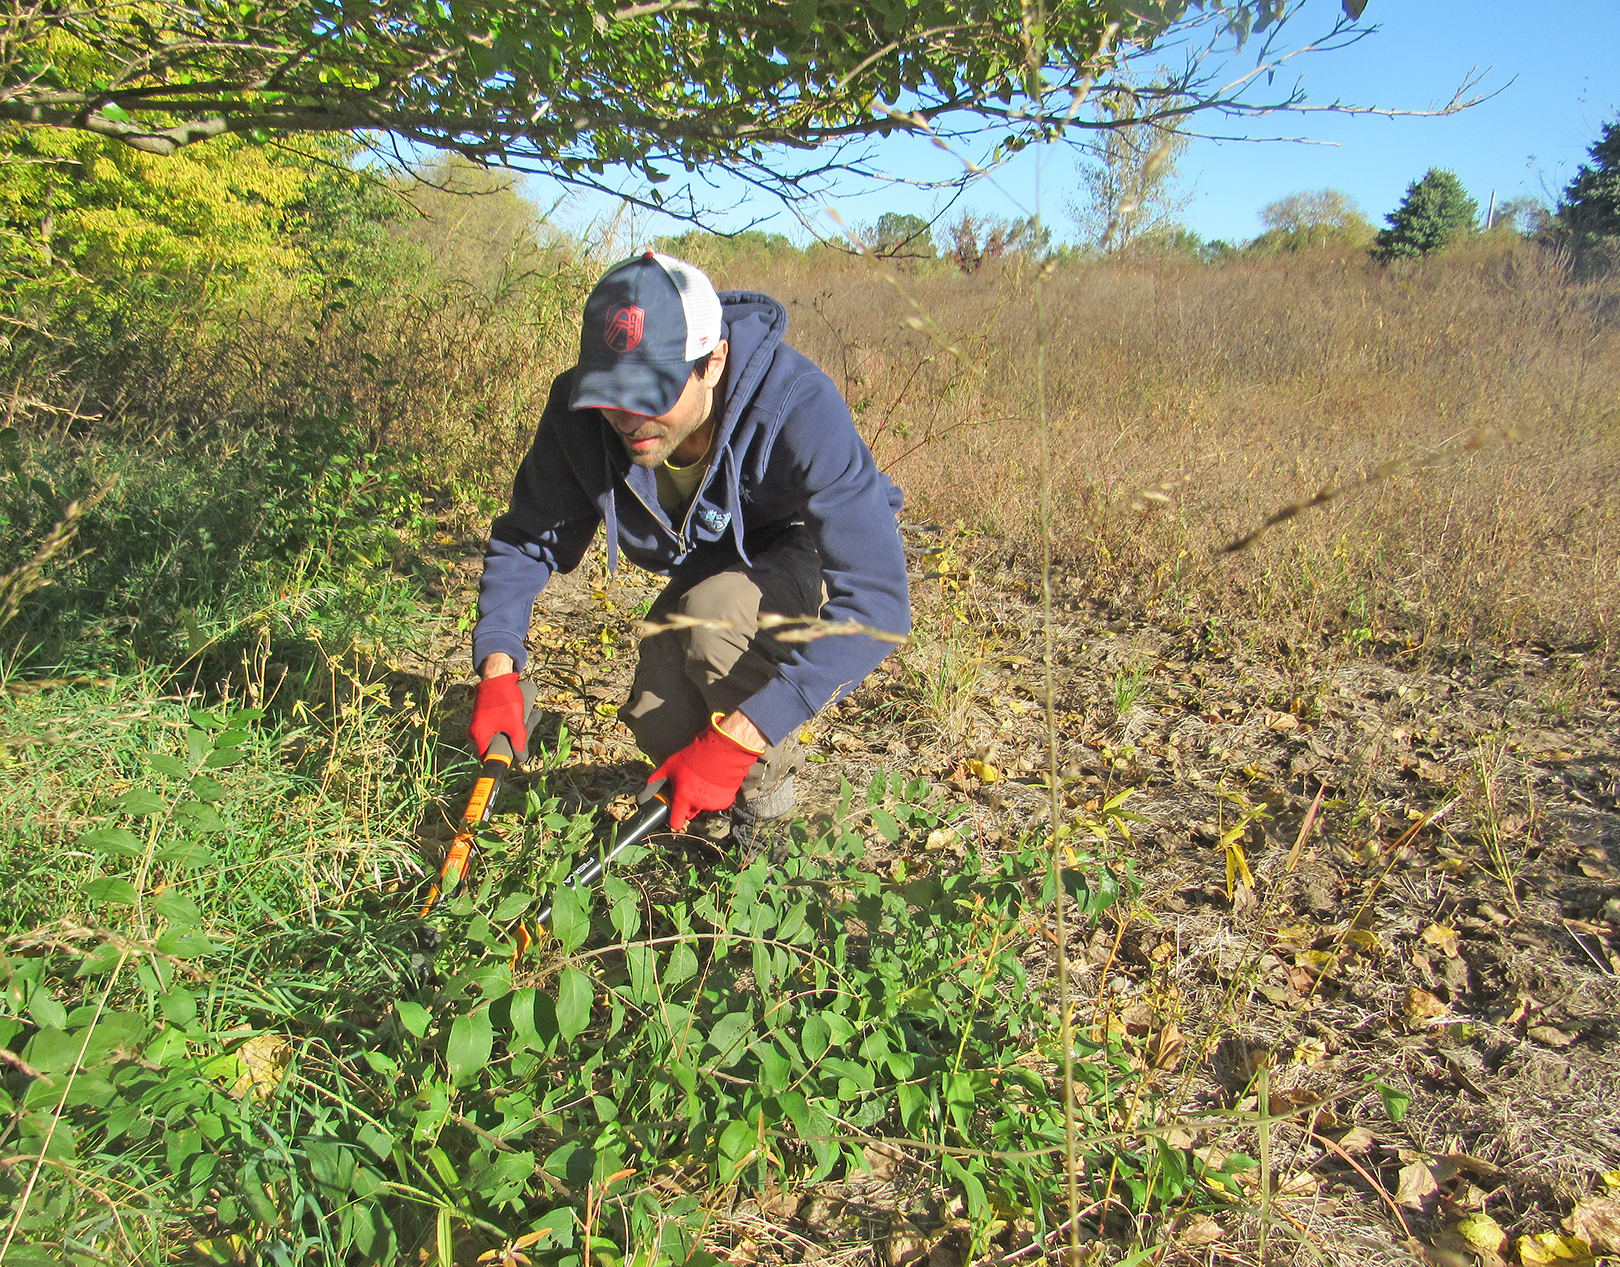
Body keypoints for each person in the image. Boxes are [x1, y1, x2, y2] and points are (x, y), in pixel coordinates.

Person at [466, 250, 911, 844]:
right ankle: (711, 809)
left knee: (713, 621)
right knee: (658, 704)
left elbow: (878, 607)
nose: (627, 418)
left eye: (651, 392)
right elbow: (527, 539)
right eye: (612, 393)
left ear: (713, 361)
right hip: (708, 554)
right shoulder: (581, 415)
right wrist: (498, 666)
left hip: (794, 542)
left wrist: (739, 740)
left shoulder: (797, 404)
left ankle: (763, 818)